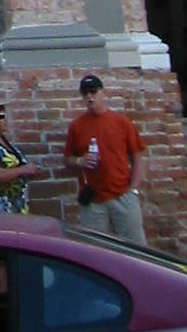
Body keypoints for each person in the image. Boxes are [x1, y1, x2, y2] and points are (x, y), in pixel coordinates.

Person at [63, 73, 147, 243]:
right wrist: (80, 161)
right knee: (94, 250)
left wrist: (134, 190)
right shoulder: (77, 126)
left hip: (123, 195)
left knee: (136, 249)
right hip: (92, 200)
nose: (89, 97)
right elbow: (67, 159)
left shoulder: (121, 122)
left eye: (93, 91)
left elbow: (137, 156)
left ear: (102, 93)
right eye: (85, 93)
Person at [0, 96, 43, 212]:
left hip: (15, 205)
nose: (6, 120)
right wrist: (23, 170)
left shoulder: (4, 141)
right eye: (1, 117)